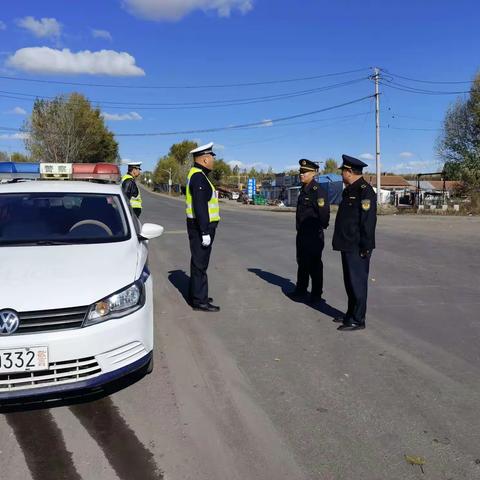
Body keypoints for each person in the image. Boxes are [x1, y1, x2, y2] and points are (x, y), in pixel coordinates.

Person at [332, 154, 377, 331]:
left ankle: (358, 319)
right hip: (347, 243)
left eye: (343, 171)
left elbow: (368, 222)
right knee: (350, 282)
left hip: (358, 245)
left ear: (349, 171)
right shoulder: (350, 189)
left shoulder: (365, 191)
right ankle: (350, 314)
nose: (342, 174)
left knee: (357, 283)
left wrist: (367, 246)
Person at [288, 159, 330, 304]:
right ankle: (301, 291)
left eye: (305, 172)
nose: (301, 174)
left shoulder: (317, 191)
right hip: (302, 234)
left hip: (313, 235)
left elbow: (324, 214)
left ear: (314, 173)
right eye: (300, 171)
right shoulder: (303, 189)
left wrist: (319, 228)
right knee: (302, 263)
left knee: (315, 265)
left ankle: (316, 295)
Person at [185, 142, 221, 312]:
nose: (214, 161)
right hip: (200, 228)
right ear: (205, 159)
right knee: (200, 264)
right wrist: (205, 231)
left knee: (198, 262)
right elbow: (200, 206)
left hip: (198, 227)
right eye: (212, 157)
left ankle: (198, 294)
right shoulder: (199, 177)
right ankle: (200, 301)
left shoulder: (197, 175)